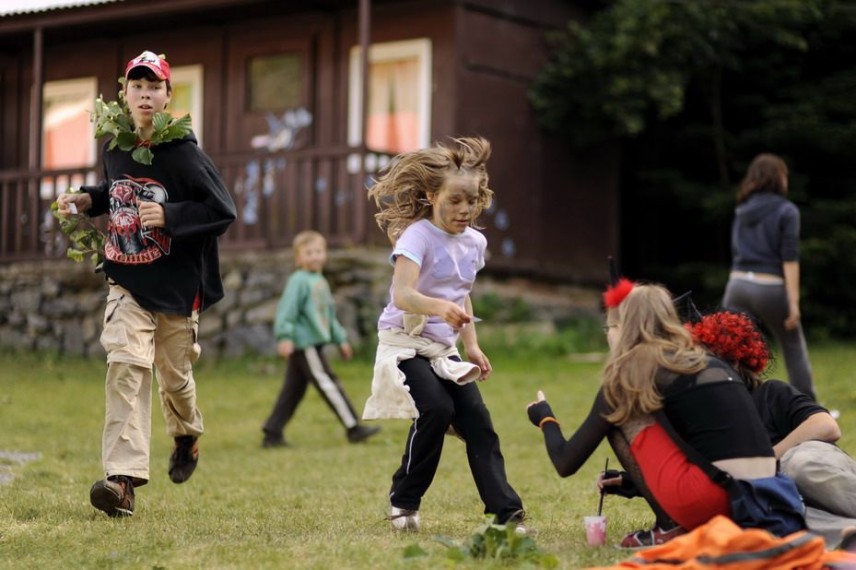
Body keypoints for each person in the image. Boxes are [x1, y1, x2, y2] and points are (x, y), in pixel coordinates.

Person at [56, 50, 237, 517]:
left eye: (154, 87)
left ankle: (187, 434)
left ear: (168, 95)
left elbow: (222, 210)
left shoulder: (184, 153)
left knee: (175, 379)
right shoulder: (115, 146)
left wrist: (170, 215)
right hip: (128, 279)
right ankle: (122, 482)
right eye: (136, 86)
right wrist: (87, 199)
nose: (144, 94)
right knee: (126, 365)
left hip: (176, 287)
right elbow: (116, 191)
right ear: (124, 95)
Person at [526, 282, 789, 546]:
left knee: (618, 413)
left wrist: (545, 418)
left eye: (609, 328)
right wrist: (630, 481)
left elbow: (565, 462)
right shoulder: (706, 362)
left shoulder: (629, 377)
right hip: (765, 497)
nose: (608, 336)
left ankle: (667, 527)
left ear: (623, 328)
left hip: (716, 502)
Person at [362, 136, 527, 533]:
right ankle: (404, 502)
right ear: (433, 195)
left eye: (472, 200)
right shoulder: (417, 236)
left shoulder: (475, 242)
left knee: (479, 424)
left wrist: (472, 345)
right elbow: (402, 295)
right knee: (435, 409)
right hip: (405, 343)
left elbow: (461, 290)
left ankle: (507, 516)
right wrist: (439, 308)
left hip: (442, 349)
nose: (465, 209)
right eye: (455, 200)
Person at [688, 310, 856, 547]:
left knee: (798, 466)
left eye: (715, 363)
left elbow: (826, 426)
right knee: (773, 517)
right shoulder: (706, 419)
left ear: (737, 362)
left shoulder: (770, 393)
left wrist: (769, 458)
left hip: (809, 462)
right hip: (778, 494)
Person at [261, 230, 380, 448]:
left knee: (293, 391)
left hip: (313, 344)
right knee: (328, 383)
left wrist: (340, 339)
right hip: (305, 344)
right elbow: (287, 311)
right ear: (298, 259)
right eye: (308, 253)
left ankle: (272, 432)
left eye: (318, 251)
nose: (314, 256)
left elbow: (328, 315)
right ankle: (353, 427)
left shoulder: (320, 281)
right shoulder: (298, 281)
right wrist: (285, 337)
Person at [722, 153, 816, 400]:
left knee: (733, 350)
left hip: (737, 284)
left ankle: (735, 402)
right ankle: (808, 408)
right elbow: (790, 258)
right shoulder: (787, 210)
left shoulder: (742, 210)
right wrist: (793, 303)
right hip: (769, 286)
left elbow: (736, 249)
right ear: (778, 177)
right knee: (793, 347)